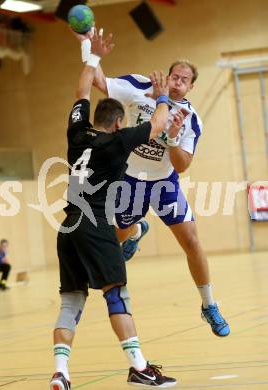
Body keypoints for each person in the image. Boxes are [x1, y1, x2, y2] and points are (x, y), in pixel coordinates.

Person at [50, 29, 180, 390]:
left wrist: (90, 54)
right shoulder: (119, 141)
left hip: (68, 227)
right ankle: (139, 368)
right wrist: (163, 96)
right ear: (119, 122)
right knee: (115, 294)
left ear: (96, 117)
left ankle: (61, 372)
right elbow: (156, 125)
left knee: (71, 303)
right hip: (95, 225)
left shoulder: (77, 134)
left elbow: (81, 91)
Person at [83, 39, 230, 338]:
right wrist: (88, 46)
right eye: (175, 76)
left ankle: (209, 305)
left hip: (163, 183)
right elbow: (98, 81)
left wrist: (173, 139)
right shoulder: (140, 86)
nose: (177, 83)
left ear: (191, 87)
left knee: (191, 241)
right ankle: (136, 231)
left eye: (184, 80)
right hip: (129, 179)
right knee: (118, 237)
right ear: (167, 75)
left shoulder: (192, 120)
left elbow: (182, 166)